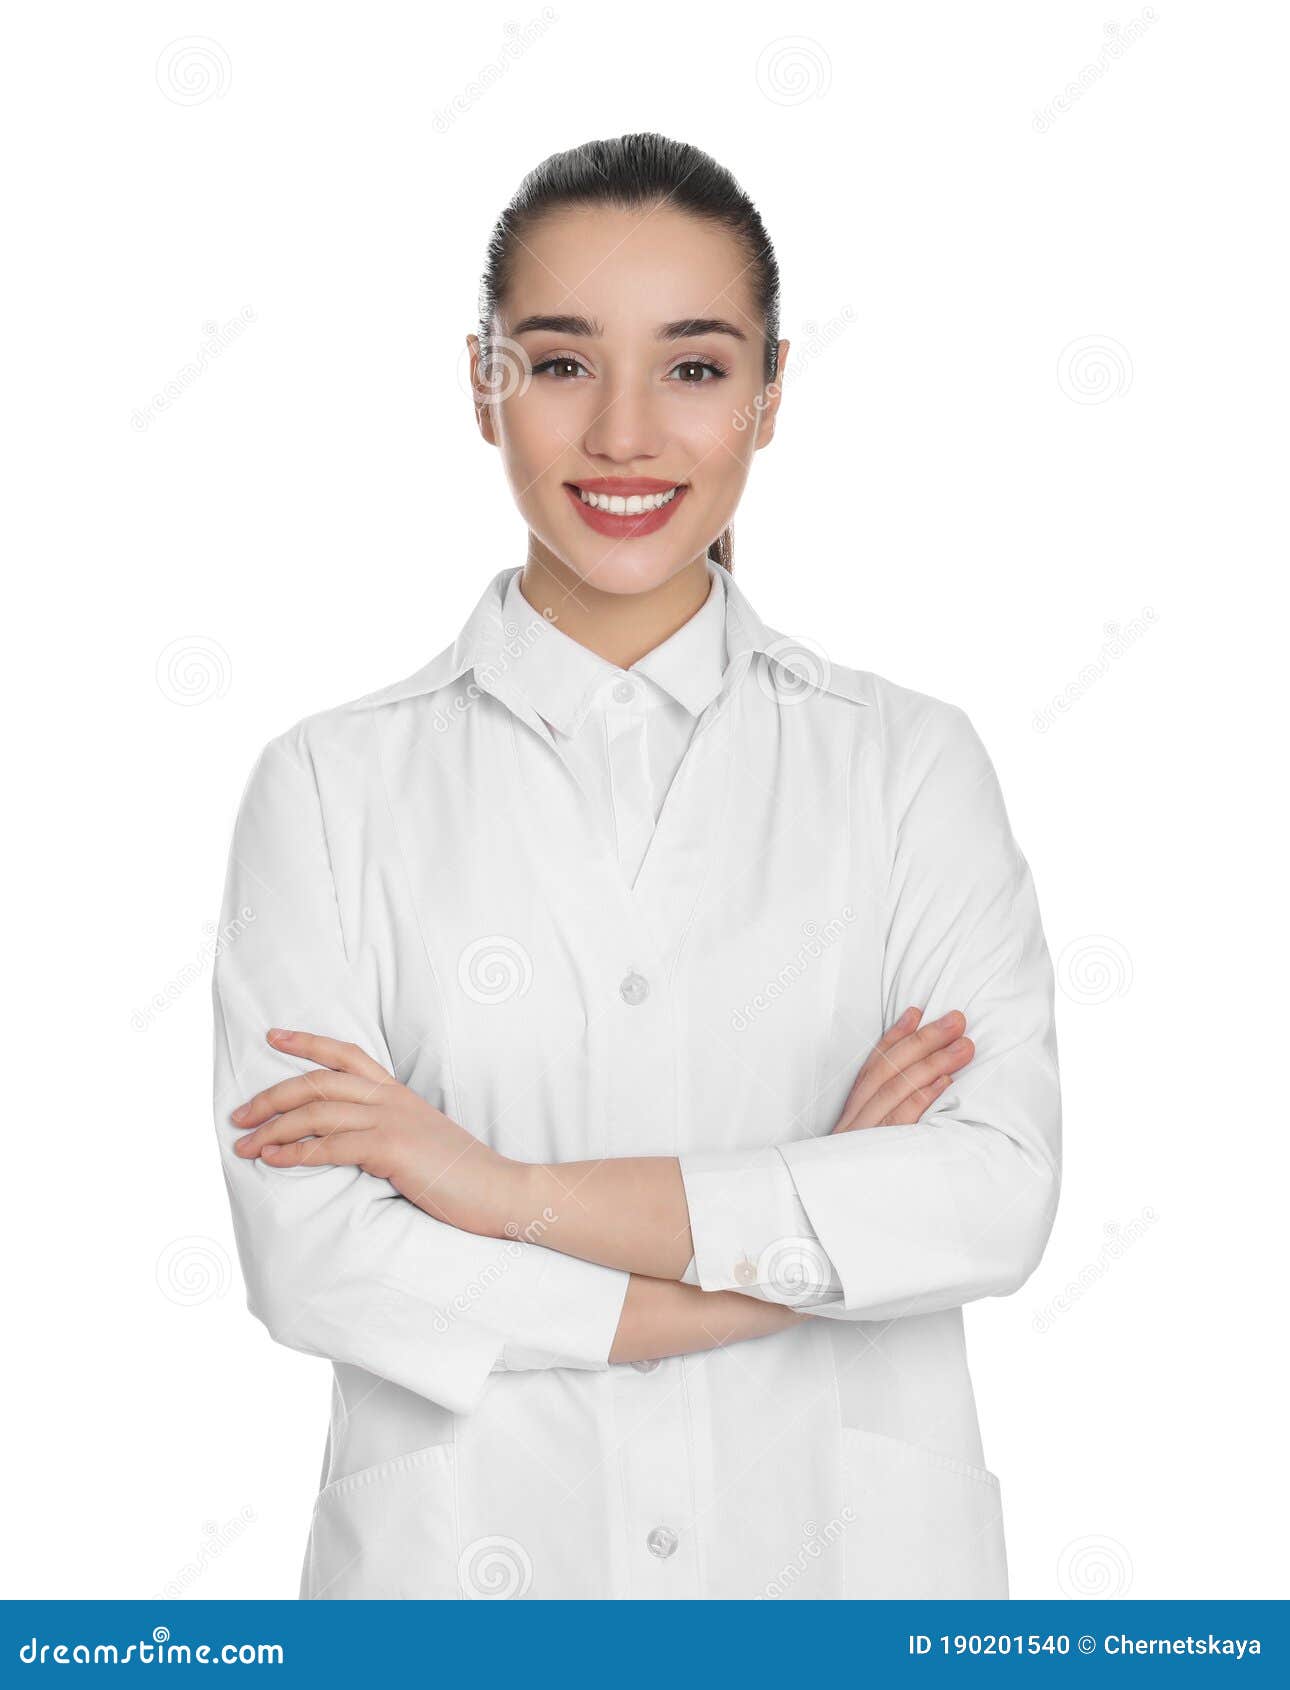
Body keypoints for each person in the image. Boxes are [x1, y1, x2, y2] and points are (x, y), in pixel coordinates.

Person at [211, 131, 1061, 1600]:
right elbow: (316, 1259)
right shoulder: (326, 788)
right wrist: (777, 1261)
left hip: (844, 1584)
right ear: (481, 385)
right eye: (556, 363)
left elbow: (987, 1195)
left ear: (771, 392)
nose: (622, 434)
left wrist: (486, 1186)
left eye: (693, 365)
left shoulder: (909, 766)